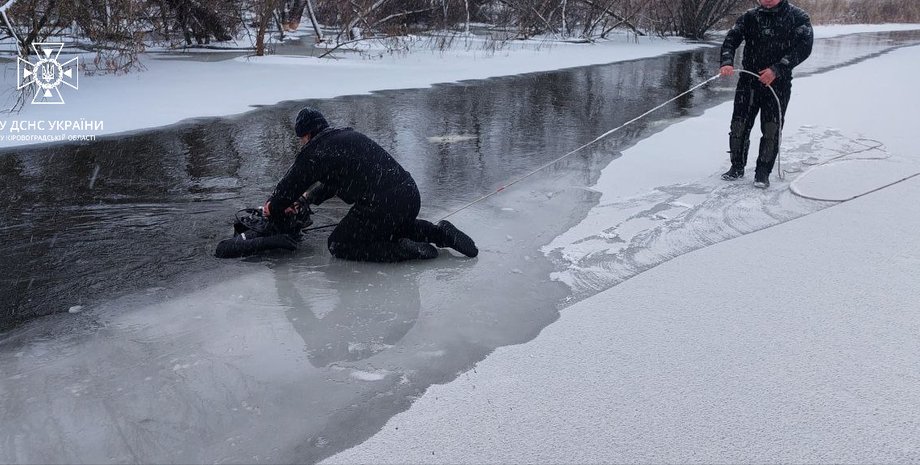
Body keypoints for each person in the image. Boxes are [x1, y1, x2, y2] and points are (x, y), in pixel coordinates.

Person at [263, 107, 479, 262]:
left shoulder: (315, 151)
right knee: (393, 228)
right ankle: (441, 233)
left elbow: (286, 189)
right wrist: (308, 198)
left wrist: (272, 207)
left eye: (301, 138)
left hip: (380, 203)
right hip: (409, 194)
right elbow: (337, 181)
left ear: (307, 134)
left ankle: (404, 251)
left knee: (340, 244)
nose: (302, 143)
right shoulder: (348, 136)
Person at [719, 0, 813, 188]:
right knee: (739, 125)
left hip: (778, 84)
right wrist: (727, 61)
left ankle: (763, 172)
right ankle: (736, 167)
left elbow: (804, 48)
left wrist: (777, 69)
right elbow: (731, 39)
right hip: (748, 82)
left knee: (771, 128)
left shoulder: (798, 17)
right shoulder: (749, 17)